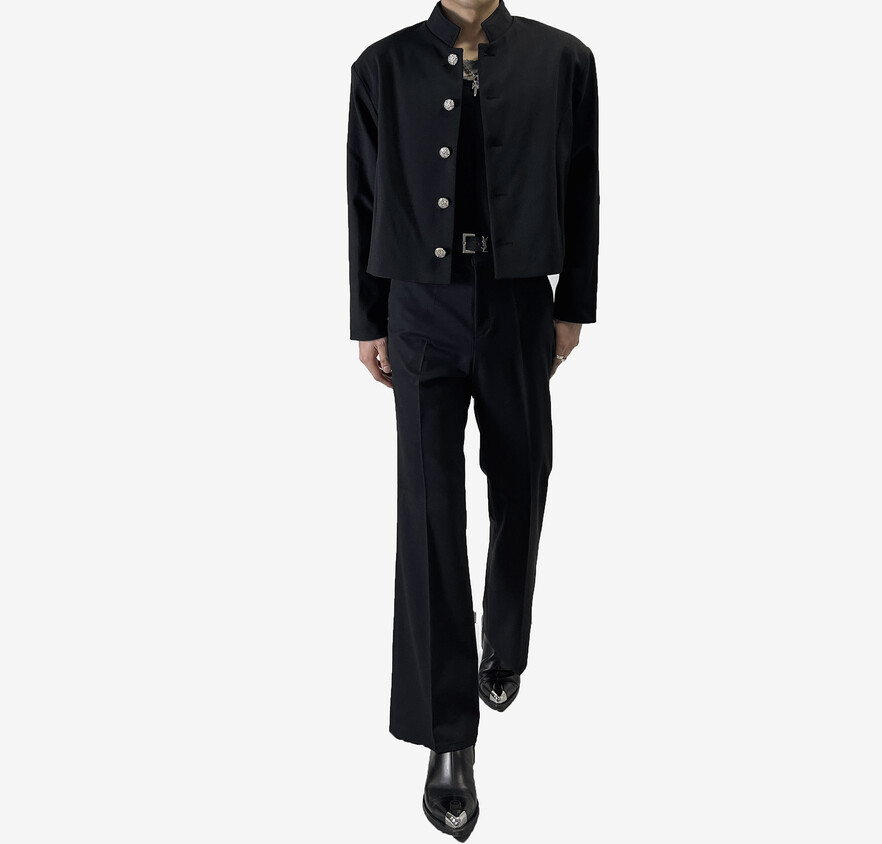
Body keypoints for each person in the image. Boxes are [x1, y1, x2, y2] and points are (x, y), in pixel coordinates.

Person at [346, 0, 599, 837]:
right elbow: (362, 192)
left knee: (523, 476)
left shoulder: (564, 59)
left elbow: (583, 181)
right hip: (419, 308)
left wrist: (574, 303)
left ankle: (505, 639)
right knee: (428, 510)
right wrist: (369, 316)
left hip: (521, 302)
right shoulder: (381, 66)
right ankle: (447, 735)